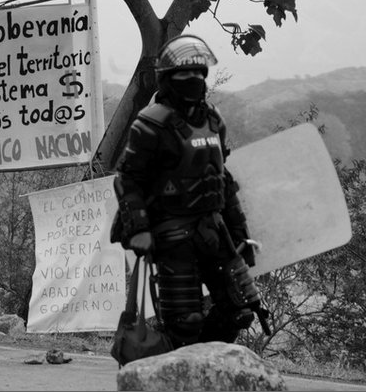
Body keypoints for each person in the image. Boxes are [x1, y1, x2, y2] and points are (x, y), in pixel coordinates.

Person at [111, 34, 268, 349]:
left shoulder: (213, 120)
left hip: (214, 229)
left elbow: (222, 180)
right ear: (168, 79)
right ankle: (172, 370)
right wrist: (139, 228)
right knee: (186, 323)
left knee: (240, 313)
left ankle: (199, 364)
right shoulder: (149, 124)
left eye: (198, 73)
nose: (193, 79)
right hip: (171, 233)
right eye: (185, 74)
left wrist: (240, 233)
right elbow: (128, 180)